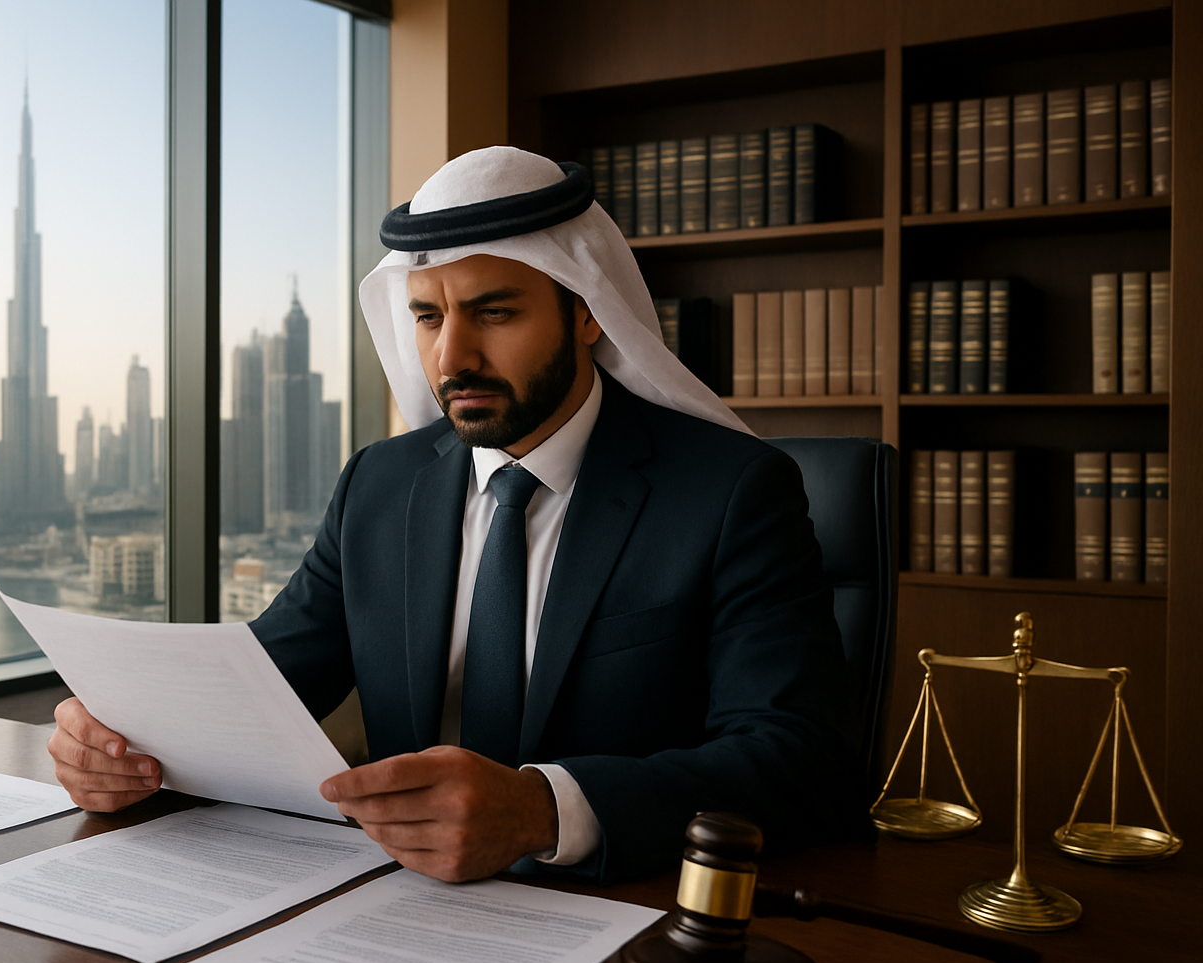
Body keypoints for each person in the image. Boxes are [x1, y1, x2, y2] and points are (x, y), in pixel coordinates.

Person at [49, 147, 860, 885]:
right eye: (429, 317)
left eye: (494, 313)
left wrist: (543, 810)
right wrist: (120, 744)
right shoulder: (379, 485)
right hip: (395, 909)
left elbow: (799, 760)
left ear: (585, 313)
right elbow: (261, 689)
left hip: (625, 911)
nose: (451, 358)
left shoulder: (731, 492)